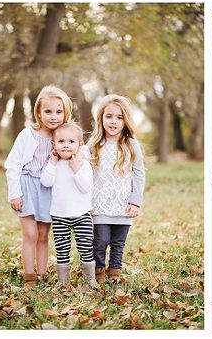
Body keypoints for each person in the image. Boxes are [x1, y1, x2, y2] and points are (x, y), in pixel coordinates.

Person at [4, 85, 73, 287]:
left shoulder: (62, 137)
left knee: (43, 235)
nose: (53, 116)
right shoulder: (27, 135)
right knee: (31, 234)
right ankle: (29, 277)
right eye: (48, 111)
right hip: (27, 187)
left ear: (65, 112)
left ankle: (42, 275)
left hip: (48, 189)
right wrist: (14, 194)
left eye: (58, 111)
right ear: (39, 113)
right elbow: (12, 165)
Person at [83, 94, 145, 285]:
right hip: (99, 203)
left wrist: (135, 201)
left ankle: (115, 272)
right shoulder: (93, 145)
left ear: (126, 121)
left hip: (124, 205)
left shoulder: (132, 145)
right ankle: (98, 270)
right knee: (100, 240)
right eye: (109, 116)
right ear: (100, 118)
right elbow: (83, 170)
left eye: (119, 117)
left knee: (118, 243)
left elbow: (139, 173)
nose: (114, 121)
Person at [40, 122, 96, 287]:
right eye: (61, 142)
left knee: (85, 247)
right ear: (54, 145)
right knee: (62, 249)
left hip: (82, 214)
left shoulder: (84, 165)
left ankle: (90, 279)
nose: (66, 145)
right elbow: (46, 181)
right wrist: (52, 163)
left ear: (79, 145)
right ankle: (62, 280)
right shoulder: (53, 165)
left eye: (71, 142)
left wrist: (76, 168)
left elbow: (86, 187)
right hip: (59, 215)